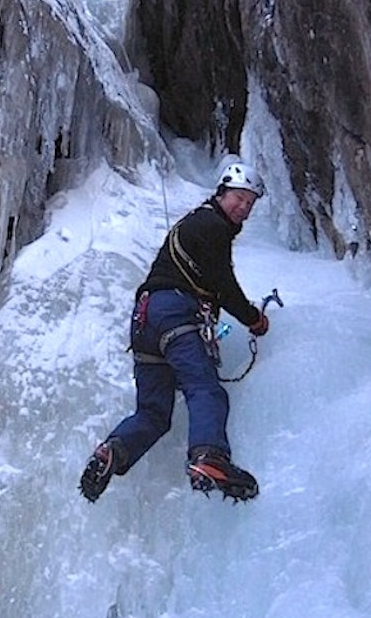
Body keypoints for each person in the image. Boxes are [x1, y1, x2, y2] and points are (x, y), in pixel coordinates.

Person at [79, 161, 270, 503]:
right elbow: (224, 284)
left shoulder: (197, 223)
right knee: (205, 390)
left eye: (250, 203)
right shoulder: (212, 225)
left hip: (145, 320)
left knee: (153, 414)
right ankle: (209, 456)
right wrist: (253, 318)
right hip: (175, 311)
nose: (243, 207)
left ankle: (113, 451)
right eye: (239, 198)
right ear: (222, 193)